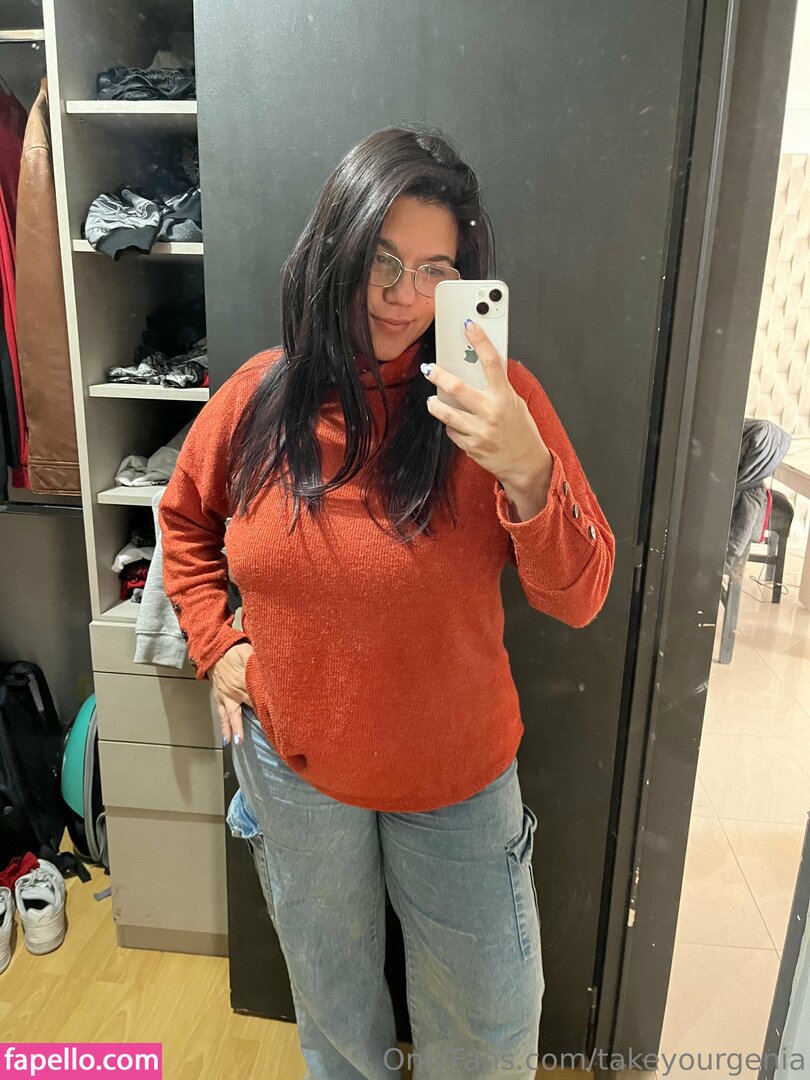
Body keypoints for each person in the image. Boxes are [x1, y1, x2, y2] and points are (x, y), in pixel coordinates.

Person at [158, 124, 615, 1080]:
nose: (404, 296)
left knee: (489, 1035)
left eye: (435, 269)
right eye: (382, 259)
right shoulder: (258, 399)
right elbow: (185, 522)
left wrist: (528, 471)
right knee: (335, 1017)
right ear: (336, 248)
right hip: (295, 767)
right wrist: (216, 643)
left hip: (457, 780)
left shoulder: (498, 403)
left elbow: (580, 597)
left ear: (462, 282)